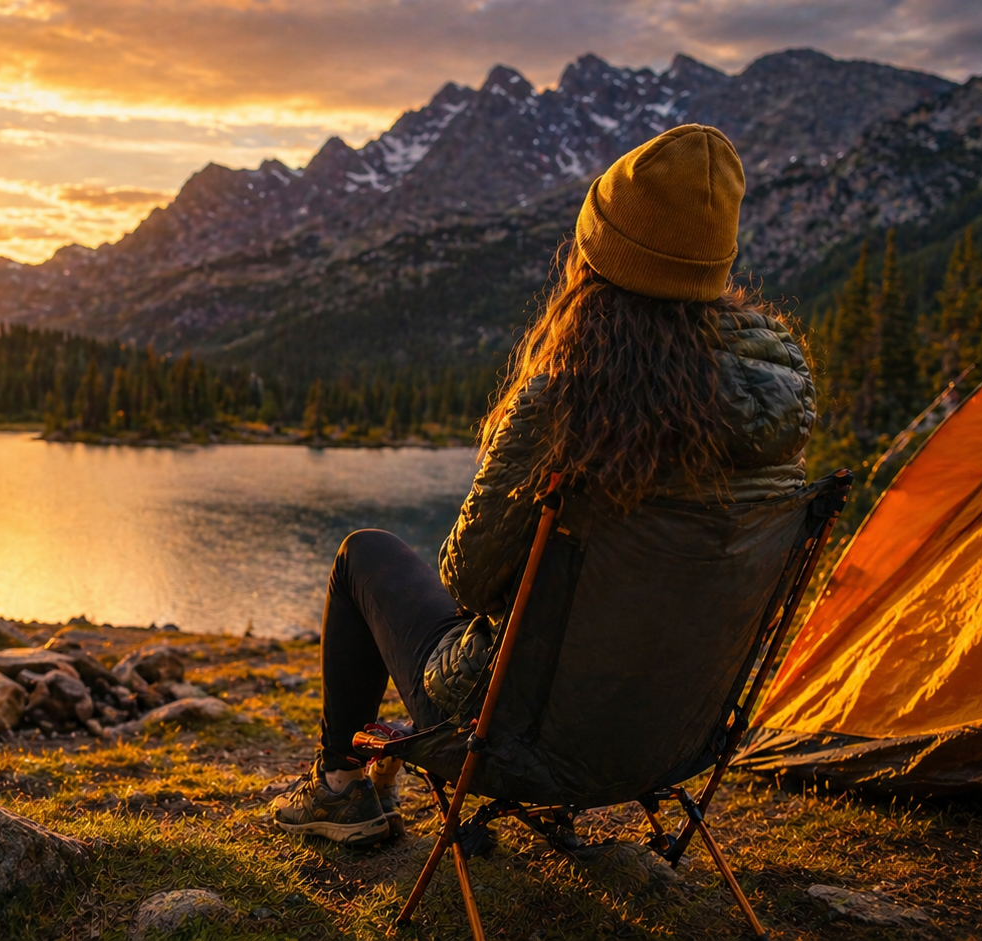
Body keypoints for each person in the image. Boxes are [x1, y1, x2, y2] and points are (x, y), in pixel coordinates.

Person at [270, 124, 816, 845]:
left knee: (364, 554)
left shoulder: (567, 402)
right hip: (675, 733)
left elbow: (465, 579)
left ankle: (341, 792)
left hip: (526, 734)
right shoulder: (784, 401)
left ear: (599, 259)